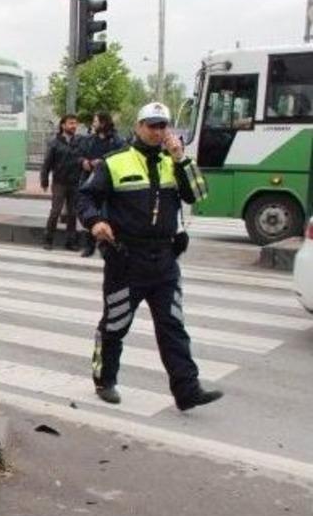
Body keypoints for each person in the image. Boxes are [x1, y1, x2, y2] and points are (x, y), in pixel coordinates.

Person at [77, 101, 222, 411]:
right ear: (139, 127)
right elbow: (86, 197)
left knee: (173, 326)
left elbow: (198, 195)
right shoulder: (115, 162)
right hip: (126, 259)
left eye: (163, 126)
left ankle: (187, 390)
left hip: (165, 260)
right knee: (115, 324)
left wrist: (181, 158)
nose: (158, 132)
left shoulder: (175, 162)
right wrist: (95, 221)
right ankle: (105, 380)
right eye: (152, 125)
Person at [79, 112, 126, 257]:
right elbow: (79, 155)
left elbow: (121, 157)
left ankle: (107, 245)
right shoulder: (90, 140)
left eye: (96, 121)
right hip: (89, 180)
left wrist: (103, 163)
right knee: (90, 212)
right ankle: (89, 246)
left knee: (107, 214)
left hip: (108, 183)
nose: (93, 124)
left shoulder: (117, 141)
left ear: (104, 123)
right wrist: (84, 162)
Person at [40, 114, 84, 250]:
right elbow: (47, 163)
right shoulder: (55, 142)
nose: (74, 126)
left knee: (73, 213)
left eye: (75, 123)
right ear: (63, 125)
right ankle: (48, 239)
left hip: (75, 182)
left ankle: (71, 242)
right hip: (59, 182)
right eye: (71, 123)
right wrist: (44, 180)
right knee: (56, 211)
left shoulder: (79, 141)